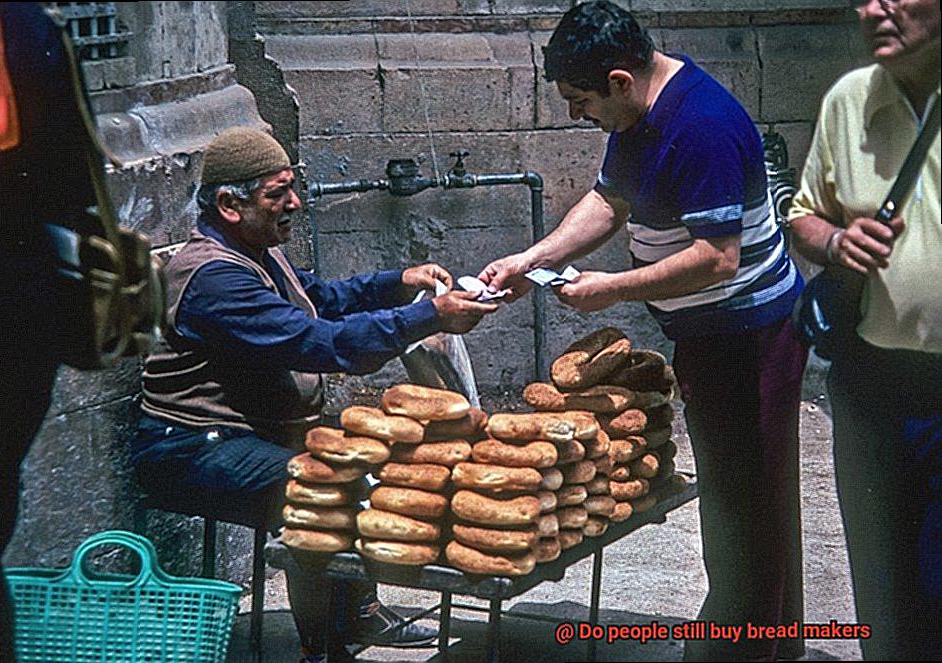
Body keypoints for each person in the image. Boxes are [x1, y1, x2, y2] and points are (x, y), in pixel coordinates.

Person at [478, 2, 806, 660]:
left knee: (745, 504)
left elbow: (717, 257)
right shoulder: (638, 113)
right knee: (746, 493)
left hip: (749, 335)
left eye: (580, 100)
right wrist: (534, 257)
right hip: (711, 332)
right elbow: (609, 199)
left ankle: (741, 645)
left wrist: (610, 290)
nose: (576, 113)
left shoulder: (701, 126)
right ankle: (771, 634)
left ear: (621, 81)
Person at [131, 126, 497, 663]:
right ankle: (323, 646)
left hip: (246, 435)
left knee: (361, 468)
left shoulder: (256, 250)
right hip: (191, 447)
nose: (295, 203)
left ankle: (358, 616)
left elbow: (322, 299)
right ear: (231, 204)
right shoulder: (213, 279)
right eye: (278, 194)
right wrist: (427, 316)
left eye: (292, 189)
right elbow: (316, 342)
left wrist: (400, 281)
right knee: (314, 489)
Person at [787, 0, 941, 658]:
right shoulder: (849, 100)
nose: (870, 9)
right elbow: (802, 215)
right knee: (882, 588)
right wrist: (837, 240)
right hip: (870, 386)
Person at [0, 3, 104, 660]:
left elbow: (68, 180)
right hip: (17, 331)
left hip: (7, 335)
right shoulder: (26, 27)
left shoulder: (23, 32)